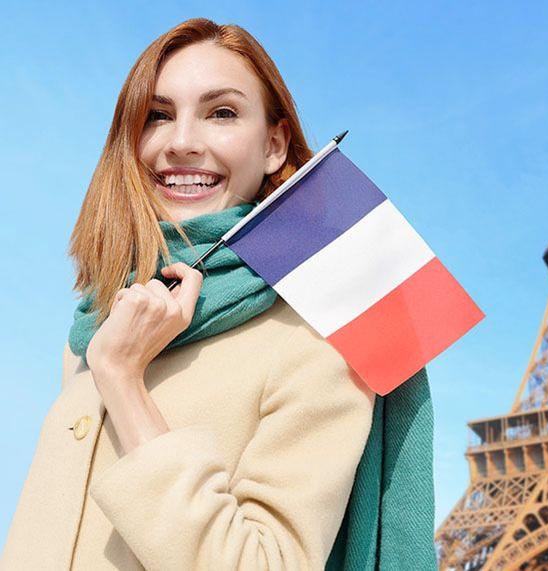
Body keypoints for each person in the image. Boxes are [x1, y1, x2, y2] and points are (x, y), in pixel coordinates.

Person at [0, 18, 436, 570]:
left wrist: (124, 382)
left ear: (275, 144)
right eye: (157, 115)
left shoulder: (319, 336)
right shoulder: (96, 324)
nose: (181, 142)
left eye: (221, 113)